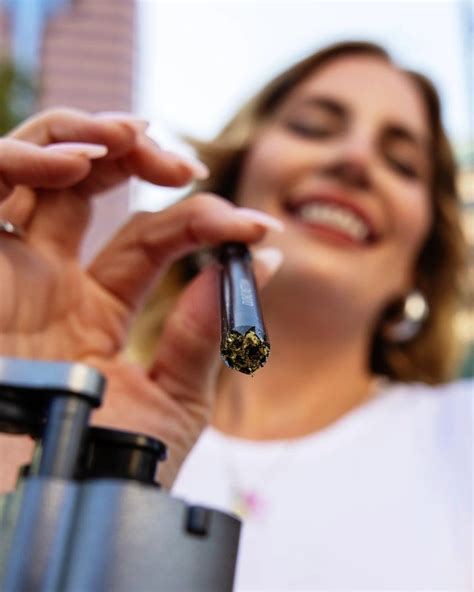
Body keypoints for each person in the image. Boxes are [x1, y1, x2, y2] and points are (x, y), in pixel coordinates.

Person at [0, 41, 471, 590]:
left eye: (402, 163)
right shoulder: (86, 409)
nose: (356, 160)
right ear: (231, 185)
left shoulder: (459, 439)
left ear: (424, 259)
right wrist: (24, 480)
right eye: (314, 127)